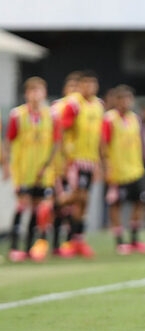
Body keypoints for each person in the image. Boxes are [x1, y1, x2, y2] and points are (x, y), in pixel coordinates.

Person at [5, 77, 60, 262]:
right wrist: (7, 164)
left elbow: (55, 143)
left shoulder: (51, 115)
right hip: (23, 170)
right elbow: (9, 141)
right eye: (32, 91)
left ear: (44, 93)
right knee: (22, 206)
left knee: (39, 210)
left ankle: (30, 248)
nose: (36, 95)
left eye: (39, 91)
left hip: (43, 172)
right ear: (26, 94)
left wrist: (48, 166)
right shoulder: (17, 115)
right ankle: (14, 247)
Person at [59, 70, 105, 258]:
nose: (89, 87)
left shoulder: (98, 106)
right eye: (86, 84)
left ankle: (77, 239)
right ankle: (53, 204)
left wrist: (100, 162)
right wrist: (63, 157)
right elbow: (63, 130)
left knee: (84, 200)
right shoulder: (73, 105)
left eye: (92, 84)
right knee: (79, 196)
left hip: (90, 159)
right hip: (75, 159)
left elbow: (100, 136)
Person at [101, 85, 145, 255]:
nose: (126, 102)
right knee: (116, 205)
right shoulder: (109, 119)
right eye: (122, 99)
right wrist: (106, 167)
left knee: (141, 201)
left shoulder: (135, 118)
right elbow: (104, 144)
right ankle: (120, 241)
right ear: (116, 101)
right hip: (117, 171)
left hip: (136, 169)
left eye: (128, 99)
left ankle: (134, 238)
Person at [50, 71, 81, 257]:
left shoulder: (84, 110)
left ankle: (70, 241)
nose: (74, 92)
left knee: (73, 204)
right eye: (72, 87)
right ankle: (54, 242)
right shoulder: (56, 109)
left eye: (77, 88)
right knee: (59, 204)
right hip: (58, 164)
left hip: (75, 163)